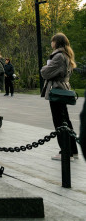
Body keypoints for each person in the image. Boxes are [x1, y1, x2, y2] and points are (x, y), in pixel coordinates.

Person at [41, 33, 79, 161]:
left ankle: (65, 151)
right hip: (63, 89)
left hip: (57, 90)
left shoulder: (58, 56)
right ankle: (73, 151)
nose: (51, 43)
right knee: (65, 121)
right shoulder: (66, 55)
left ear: (57, 42)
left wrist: (44, 67)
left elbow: (45, 72)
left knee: (59, 122)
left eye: (52, 41)